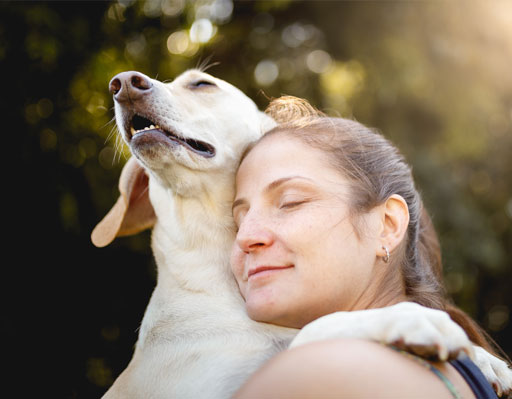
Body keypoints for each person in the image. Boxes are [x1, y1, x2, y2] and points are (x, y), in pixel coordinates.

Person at [229, 96, 507, 398]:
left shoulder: (319, 376)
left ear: (387, 225)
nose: (246, 237)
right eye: (237, 221)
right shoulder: (459, 372)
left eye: (290, 202)